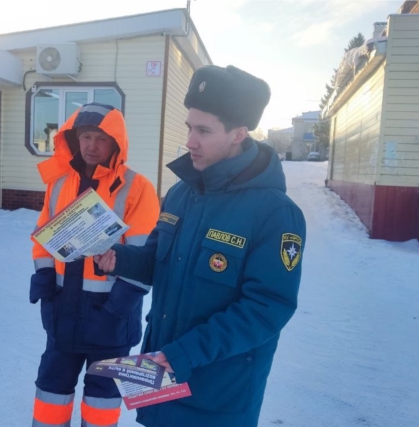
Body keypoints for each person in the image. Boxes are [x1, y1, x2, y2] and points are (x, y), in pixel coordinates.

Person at [94, 65, 307, 427]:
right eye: (189, 127)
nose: (190, 140)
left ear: (239, 133)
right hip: (162, 378)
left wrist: (187, 353)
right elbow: (157, 261)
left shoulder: (276, 213)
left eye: (204, 131)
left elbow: (268, 308)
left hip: (217, 396)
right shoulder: (181, 194)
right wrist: (120, 260)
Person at [30, 103, 160, 427]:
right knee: (50, 392)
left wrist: (118, 308)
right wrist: (45, 278)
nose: (91, 145)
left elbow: (146, 258)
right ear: (74, 140)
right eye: (85, 136)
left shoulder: (138, 188)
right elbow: (42, 237)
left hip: (111, 318)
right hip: (63, 312)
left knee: (102, 402)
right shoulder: (59, 183)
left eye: (100, 139)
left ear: (116, 144)